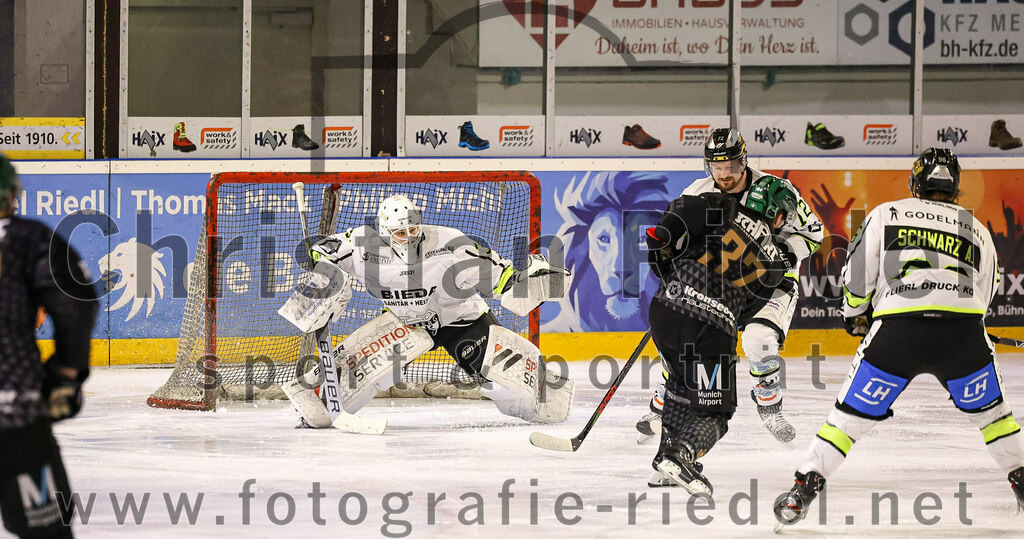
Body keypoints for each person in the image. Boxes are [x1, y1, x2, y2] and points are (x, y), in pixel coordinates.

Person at [774, 148, 1024, 526]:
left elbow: (858, 274)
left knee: (848, 418)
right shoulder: (979, 230)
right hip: (963, 336)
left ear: (915, 182)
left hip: (898, 333)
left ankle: (803, 490)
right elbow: (984, 295)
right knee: (995, 418)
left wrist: (855, 314)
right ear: (955, 187)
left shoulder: (888, 212)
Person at [278, 194, 575, 427]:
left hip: (460, 319)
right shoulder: (362, 245)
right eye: (399, 232)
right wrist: (325, 276)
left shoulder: (452, 244)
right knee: (363, 375)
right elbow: (319, 250)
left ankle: (544, 392)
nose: (408, 235)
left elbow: (501, 278)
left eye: (413, 228)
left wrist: (533, 285)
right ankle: (316, 401)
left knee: (504, 382)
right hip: (408, 324)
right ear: (383, 233)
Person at [638, 128, 824, 458]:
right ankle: (663, 402)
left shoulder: (777, 190)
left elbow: (815, 233)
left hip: (769, 280)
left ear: (744, 160)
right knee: (688, 333)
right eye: (717, 167)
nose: (724, 175)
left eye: (731, 167)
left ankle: (769, 405)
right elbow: (679, 232)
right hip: (716, 280)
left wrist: (784, 254)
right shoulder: (699, 190)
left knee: (759, 340)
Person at [645, 174, 795, 494]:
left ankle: (665, 461)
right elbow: (746, 314)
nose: (783, 223)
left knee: (680, 386)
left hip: (665, 311)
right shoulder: (777, 262)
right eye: (783, 215)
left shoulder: (718, 203)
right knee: (715, 412)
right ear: (774, 212)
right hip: (711, 327)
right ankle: (680, 453)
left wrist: (667, 272)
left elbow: (668, 226)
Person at [0, 153, 98, 537]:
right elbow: (76, 303)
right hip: (14, 411)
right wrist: (66, 372)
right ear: (11, 193)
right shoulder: (28, 239)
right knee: (47, 530)